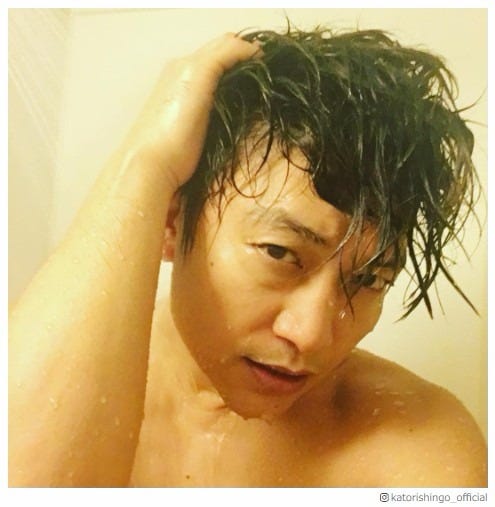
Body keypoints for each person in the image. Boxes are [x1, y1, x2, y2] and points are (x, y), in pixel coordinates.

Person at [9, 27, 487, 487]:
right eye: (280, 252)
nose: (312, 336)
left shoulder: (414, 447)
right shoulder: (51, 382)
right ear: (172, 219)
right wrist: (146, 164)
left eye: (370, 280)